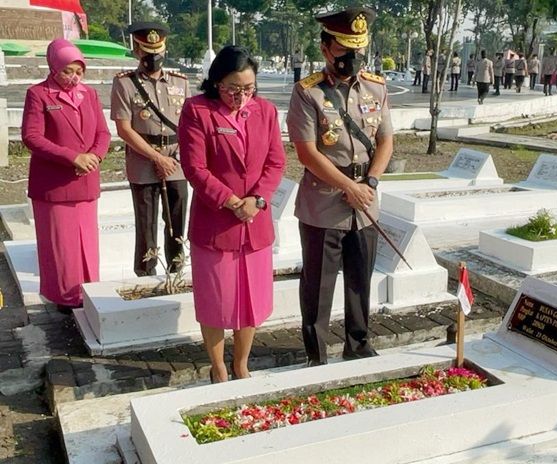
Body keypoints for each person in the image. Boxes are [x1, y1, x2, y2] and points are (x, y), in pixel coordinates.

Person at [286, 6, 393, 366]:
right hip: (324, 203)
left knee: (360, 281)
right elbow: (306, 152)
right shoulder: (307, 93)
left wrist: (371, 183)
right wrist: (348, 185)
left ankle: (358, 345)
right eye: (345, 50)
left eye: (358, 50)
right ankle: (316, 355)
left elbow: (386, 142)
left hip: (365, 202)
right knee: (318, 287)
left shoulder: (376, 88)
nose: (353, 58)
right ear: (326, 48)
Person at [178, 46, 285, 383]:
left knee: (250, 300)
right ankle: (218, 366)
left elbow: (275, 162)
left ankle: (241, 363)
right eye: (232, 89)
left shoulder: (265, 111)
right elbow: (194, 167)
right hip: (216, 222)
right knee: (215, 300)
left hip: (255, 222)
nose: (240, 97)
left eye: (248, 89)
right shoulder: (197, 111)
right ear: (216, 83)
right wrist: (230, 201)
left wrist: (257, 201)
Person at [21, 39, 110, 313]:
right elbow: (32, 136)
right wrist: (73, 157)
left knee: (86, 243)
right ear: (54, 67)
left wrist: (94, 155)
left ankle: (88, 290)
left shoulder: (90, 95)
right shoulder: (39, 94)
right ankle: (64, 298)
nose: (74, 78)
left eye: (79, 72)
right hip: (54, 185)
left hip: (86, 180)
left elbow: (103, 133)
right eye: (68, 71)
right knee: (62, 245)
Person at [111, 22, 190, 277]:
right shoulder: (125, 83)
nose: (153, 57)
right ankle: (145, 274)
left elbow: (189, 124)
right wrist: (157, 157)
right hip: (143, 161)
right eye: (147, 51)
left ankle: (176, 271)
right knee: (146, 223)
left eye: (157, 50)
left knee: (176, 221)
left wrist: (174, 157)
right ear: (136, 50)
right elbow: (124, 129)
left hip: (176, 161)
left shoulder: (180, 82)